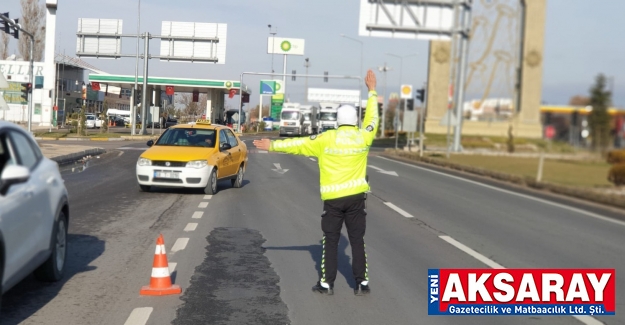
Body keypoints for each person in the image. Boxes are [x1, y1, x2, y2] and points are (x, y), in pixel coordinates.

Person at [253, 69, 379, 296]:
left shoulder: (324, 139)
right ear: (354, 121)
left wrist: (272, 146)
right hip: (356, 199)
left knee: (330, 242)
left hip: (332, 201)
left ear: (338, 121)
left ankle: (326, 284)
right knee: (357, 241)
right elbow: (372, 120)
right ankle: (362, 283)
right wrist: (371, 92)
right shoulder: (364, 137)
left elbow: (298, 144)